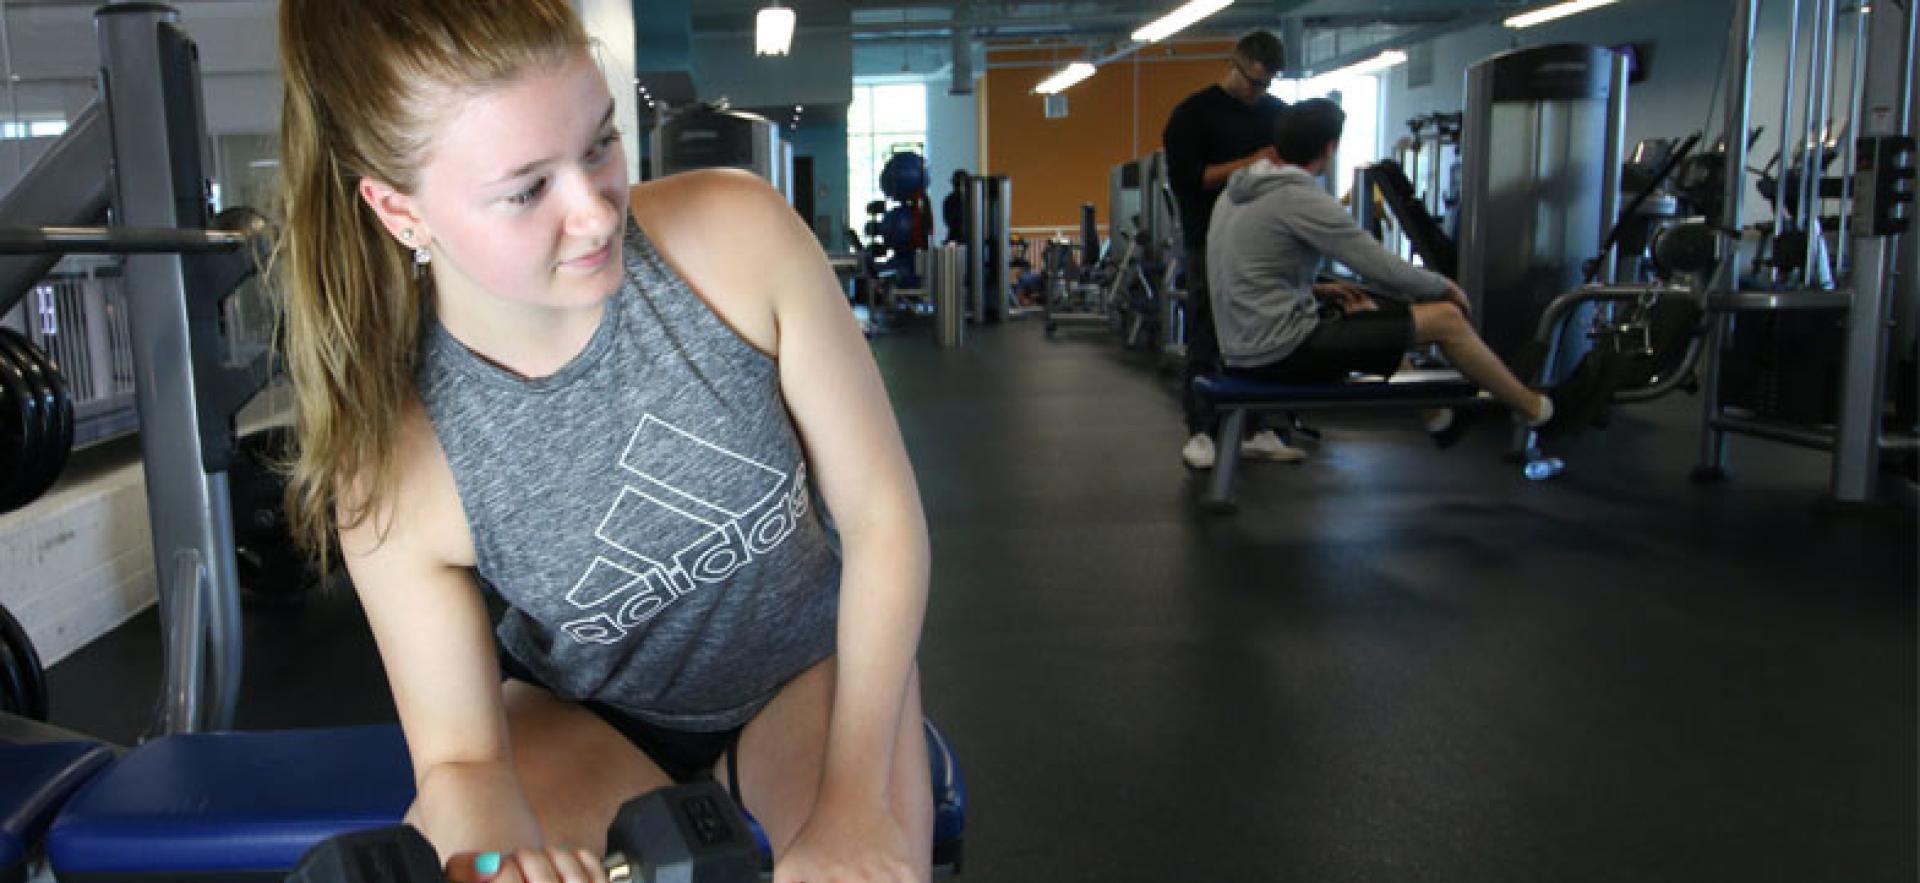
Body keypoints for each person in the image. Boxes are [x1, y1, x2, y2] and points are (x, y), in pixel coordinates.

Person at [275, 2, 934, 882]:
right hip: (581, 718)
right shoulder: (395, 458)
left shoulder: (737, 239)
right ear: (401, 212)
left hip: (807, 671)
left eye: (599, 146)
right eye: (526, 189)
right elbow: (463, 761)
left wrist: (858, 803)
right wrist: (497, 866)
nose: (593, 213)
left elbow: (883, 519)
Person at [1207, 98, 1584, 443]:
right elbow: (1378, 265)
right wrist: (1443, 287)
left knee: (1366, 311)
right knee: (1447, 319)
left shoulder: (1236, 192)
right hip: (1281, 352)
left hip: (1241, 347)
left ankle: (1439, 419)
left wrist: (1320, 292)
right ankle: (1540, 413)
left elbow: (1241, 271)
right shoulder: (1299, 197)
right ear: (1329, 148)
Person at [1162, 29, 1302, 470]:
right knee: (1207, 331)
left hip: (1264, 244)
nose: (1259, 92)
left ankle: (1259, 428)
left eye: (1268, 83)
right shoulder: (1191, 115)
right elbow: (1193, 179)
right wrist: (1254, 161)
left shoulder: (1277, 114)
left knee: (1266, 334)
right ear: (1234, 63)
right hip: (1209, 240)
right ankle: (1201, 432)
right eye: (1254, 81)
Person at [941, 169, 969, 244]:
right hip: (954, 239)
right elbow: (949, 221)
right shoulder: (949, 200)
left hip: (972, 238)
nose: (959, 188)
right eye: (957, 184)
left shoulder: (974, 199)